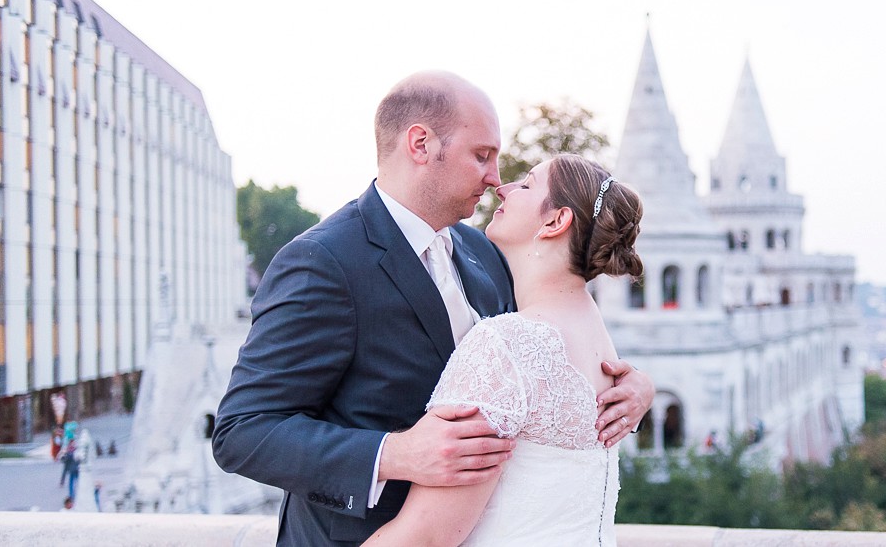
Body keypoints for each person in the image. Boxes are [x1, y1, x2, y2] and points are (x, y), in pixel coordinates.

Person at [212, 71, 654, 546]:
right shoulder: (323, 262)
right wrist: (394, 454)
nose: (495, 178)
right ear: (420, 144)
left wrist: (627, 387)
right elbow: (242, 431)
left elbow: (536, 358)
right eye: (482, 155)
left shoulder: (484, 252)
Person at [364, 154, 644, 546]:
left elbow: (426, 535)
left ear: (555, 221)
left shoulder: (506, 343)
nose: (504, 188)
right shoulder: (597, 335)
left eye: (526, 185)